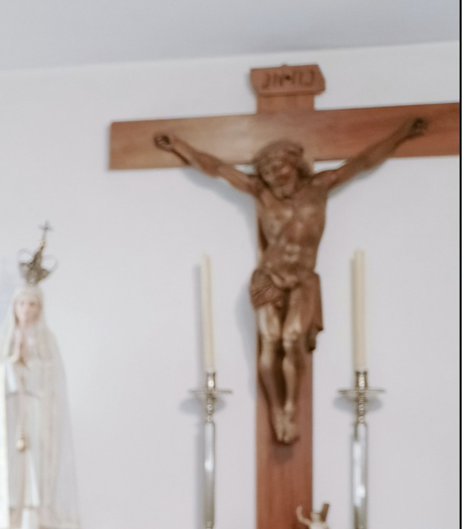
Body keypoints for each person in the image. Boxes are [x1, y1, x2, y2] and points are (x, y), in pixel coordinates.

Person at [154, 117, 426, 444]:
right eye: (267, 171)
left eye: (278, 167)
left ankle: (291, 407)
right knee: (269, 341)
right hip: (268, 276)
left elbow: (363, 161)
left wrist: (401, 133)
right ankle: (275, 410)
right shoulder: (260, 192)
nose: (272, 175)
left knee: (292, 338)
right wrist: (180, 146)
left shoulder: (320, 187)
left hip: (302, 278)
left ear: (295, 164)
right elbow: (217, 168)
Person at [0, 235, 85, 529]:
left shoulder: (47, 341)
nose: (27, 309)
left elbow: (52, 384)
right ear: (15, 306)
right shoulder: (2, 341)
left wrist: (32, 364)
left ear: (39, 307)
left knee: (37, 468)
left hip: (37, 419)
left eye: (33, 303)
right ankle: (8, 517)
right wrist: (12, 362)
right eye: (22, 302)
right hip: (11, 419)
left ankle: (36, 519)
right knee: (12, 467)